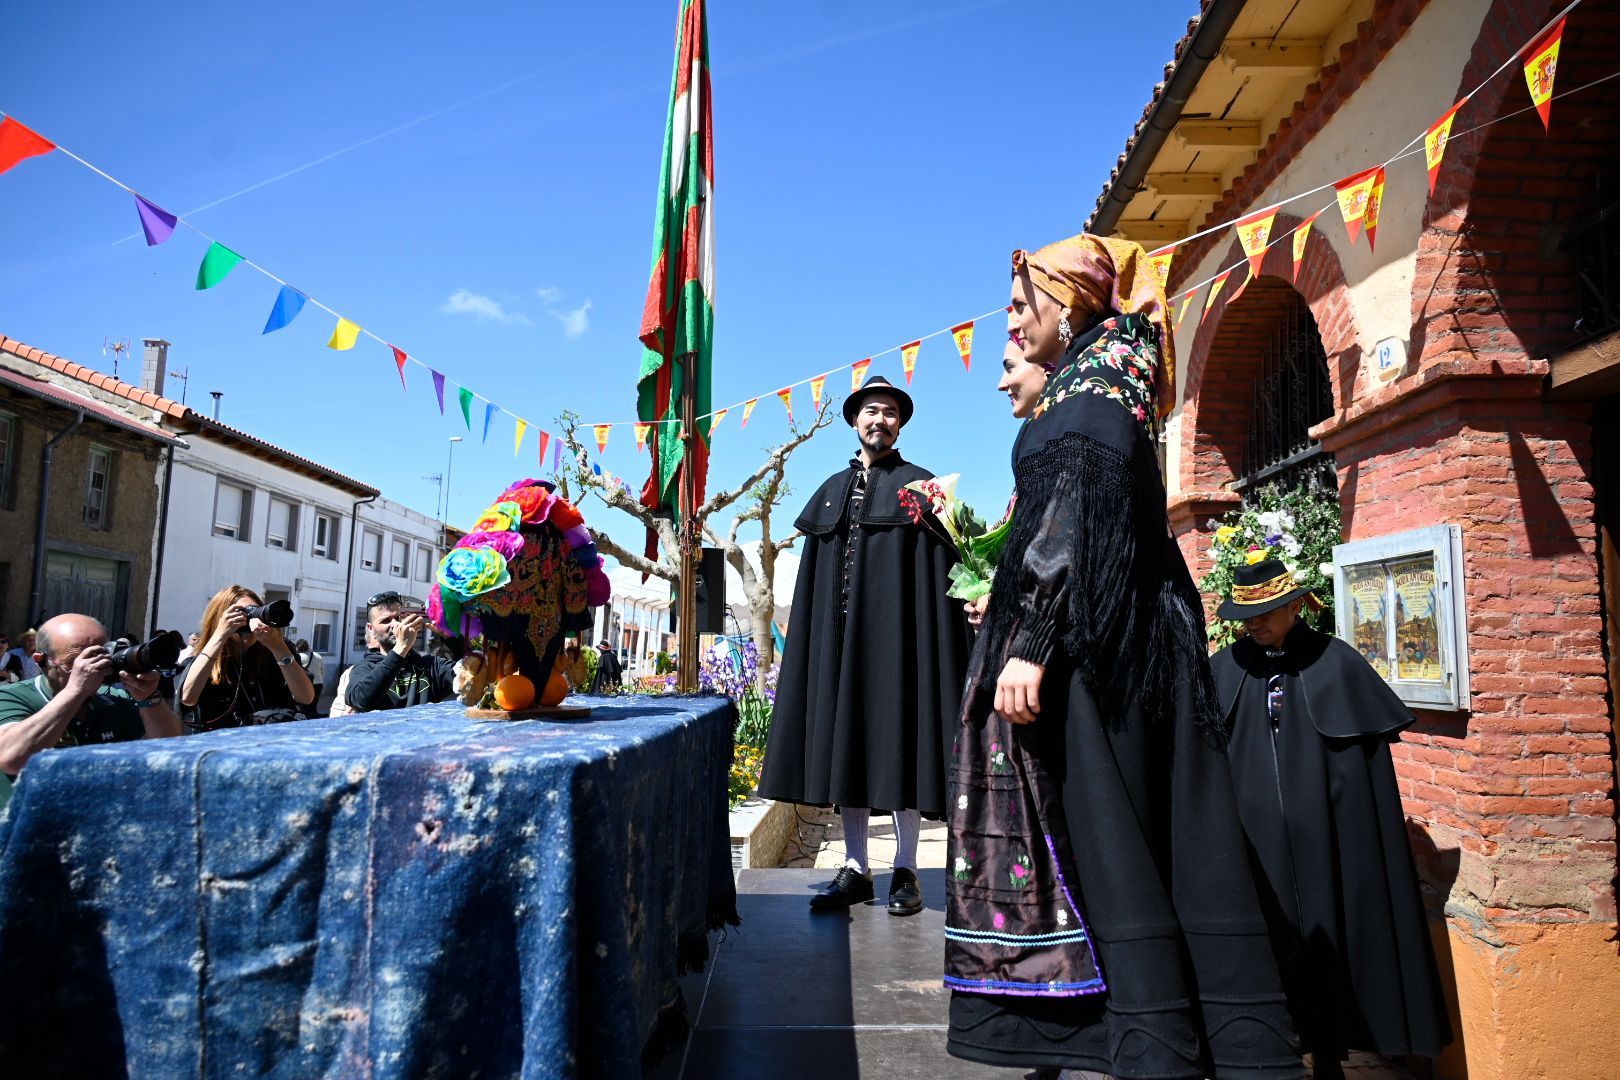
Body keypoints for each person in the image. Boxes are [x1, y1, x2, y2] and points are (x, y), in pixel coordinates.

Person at [945, 234, 1302, 1078]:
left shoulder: (1092, 399)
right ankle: (1174, 1036)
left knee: (1117, 844)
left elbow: (1073, 513)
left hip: (1099, 668)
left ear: (1065, 306)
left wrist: (1028, 642)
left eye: (1019, 303)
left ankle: (1155, 1040)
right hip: (1121, 655)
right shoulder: (1103, 385)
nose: (1010, 323)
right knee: (1144, 842)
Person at [1210, 560, 1452, 1078]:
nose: (1252, 623)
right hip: (1254, 845)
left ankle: (1331, 1052)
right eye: (1245, 614)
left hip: (1331, 840)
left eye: (1265, 612)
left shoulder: (1336, 662)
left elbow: (1367, 777)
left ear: (1295, 606)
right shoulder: (1225, 667)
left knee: (1337, 934)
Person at [759, 374, 972, 917]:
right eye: (871, 411)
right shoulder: (830, 490)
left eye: (890, 413)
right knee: (847, 752)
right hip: (836, 649)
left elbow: (942, 577)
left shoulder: (921, 488)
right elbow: (811, 588)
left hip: (896, 649)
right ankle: (856, 868)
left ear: (899, 424)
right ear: (855, 421)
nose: (880, 420)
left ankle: (905, 868)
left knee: (899, 749)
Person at [0, 613, 184, 808]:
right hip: (24, 830)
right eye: (75, 662)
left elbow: (172, 749)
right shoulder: (12, 696)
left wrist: (149, 698)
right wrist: (76, 691)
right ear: (42, 662)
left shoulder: (113, 699)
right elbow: (13, 758)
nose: (92, 668)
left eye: (100, 655)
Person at [178, 586, 315, 731]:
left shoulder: (277, 649)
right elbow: (187, 698)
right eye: (240, 613)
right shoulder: (205, 655)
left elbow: (306, 697)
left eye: (254, 611)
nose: (248, 620)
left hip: (273, 741)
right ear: (220, 620)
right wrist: (219, 637)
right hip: (222, 745)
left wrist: (279, 647)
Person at [343, 591, 458, 712]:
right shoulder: (363, 669)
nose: (395, 624)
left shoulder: (432, 666)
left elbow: (472, 678)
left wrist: (448, 635)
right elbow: (362, 701)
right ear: (371, 629)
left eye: (399, 618)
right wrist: (401, 648)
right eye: (386, 621)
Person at [296, 638, 326, 717]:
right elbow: (322, 671)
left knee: (303, 707)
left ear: (297, 647)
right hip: (318, 684)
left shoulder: (298, 657)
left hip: (304, 684)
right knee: (313, 706)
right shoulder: (318, 656)